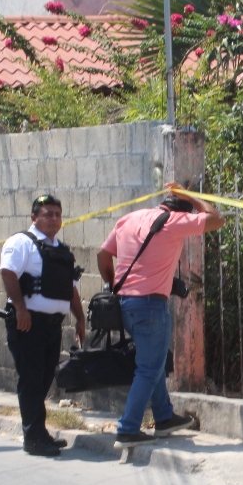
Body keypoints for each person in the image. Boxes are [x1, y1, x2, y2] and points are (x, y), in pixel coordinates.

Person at [97, 183, 225, 448]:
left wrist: (114, 285)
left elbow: (103, 254)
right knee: (150, 367)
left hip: (125, 305)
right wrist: (192, 197)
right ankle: (128, 428)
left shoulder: (129, 218)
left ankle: (164, 417)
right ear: (184, 211)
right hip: (151, 307)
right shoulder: (176, 221)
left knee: (152, 362)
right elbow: (216, 219)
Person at [0, 194, 86, 457]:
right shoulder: (21, 242)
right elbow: (7, 272)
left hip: (52, 326)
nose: (53, 218)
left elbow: (69, 289)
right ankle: (33, 438)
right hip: (28, 324)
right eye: (47, 213)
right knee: (32, 379)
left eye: (57, 214)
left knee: (45, 379)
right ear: (34, 217)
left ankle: (40, 432)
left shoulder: (60, 249)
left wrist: (80, 318)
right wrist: (21, 308)